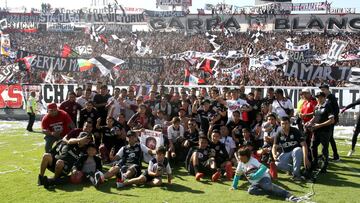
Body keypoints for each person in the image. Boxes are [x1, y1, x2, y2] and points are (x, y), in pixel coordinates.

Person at [230, 148, 300, 202]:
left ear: (246, 156)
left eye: (241, 157)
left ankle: (288, 194)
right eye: (239, 157)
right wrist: (234, 186)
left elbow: (263, 168)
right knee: (251, 191)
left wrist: (255, 176)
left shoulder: (253, 160)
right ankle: (270, 191)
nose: (239, 158)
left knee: (267, 186)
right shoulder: (240, 163)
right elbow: (237, 174)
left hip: (264, 178)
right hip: (255, 183)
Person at [305, 92, 335, 173]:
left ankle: (324, 166)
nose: (319, 99)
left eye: (321, 97)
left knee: (324, 149)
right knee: (312, 147)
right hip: (316, 131)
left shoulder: (328, 106)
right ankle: (315, 163)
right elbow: (315, 117)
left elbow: (332, 120)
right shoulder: (316, 106)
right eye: (318, 97)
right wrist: (309, 122)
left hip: (325, 131)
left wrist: (319, 125)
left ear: (324, 98)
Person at [272, 117, 310, 181]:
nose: (284, 125)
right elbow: (274, 147)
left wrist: (306, 158)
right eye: (282, 124)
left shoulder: (295, 131)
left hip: (296, 153)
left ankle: (296, 175)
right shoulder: (279, 133)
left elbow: (304, 145)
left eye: (286, 123)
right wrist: (274, 155)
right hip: (286, 153)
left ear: (289, 123)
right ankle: (296, 171)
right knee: (276, 164)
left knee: (297, 149)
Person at [320, 84, 340, 161]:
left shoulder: (331, 97)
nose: (322, 91)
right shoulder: (326, 97)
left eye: (324, 89)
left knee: (329, 138)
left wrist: (333, 118)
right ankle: (330, 155)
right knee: (329, 138)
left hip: (330, 121)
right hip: (327, 120)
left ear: (328, 89)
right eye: (321, 90)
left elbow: (336, 109)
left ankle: (335, 155)